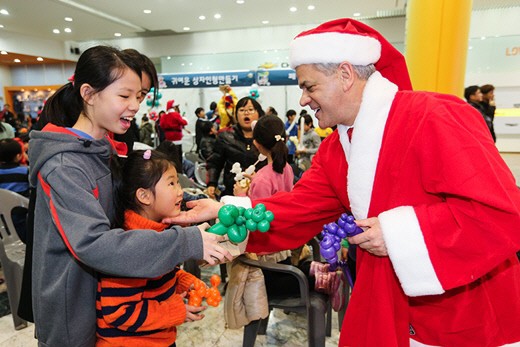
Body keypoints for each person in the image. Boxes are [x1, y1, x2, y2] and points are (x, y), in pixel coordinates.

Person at [168, 18, 520, 347]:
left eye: (308, 86)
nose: (303, 99)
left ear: (346, 74)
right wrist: (225, 210)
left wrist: (397, 234)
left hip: (467, 309)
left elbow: (500, 214)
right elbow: (298, 208)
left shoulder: (435, 116)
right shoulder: (338, 147)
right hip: (386, 299)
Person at [28, 45, 231, 347]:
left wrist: (185, 206)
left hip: (108, 300)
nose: (135, 106)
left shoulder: (102, 149)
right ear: (89, 93)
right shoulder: (64, 165)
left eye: (139, 96)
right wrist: (186, 242)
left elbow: (129, 202)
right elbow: (92, 242)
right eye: (125, 96)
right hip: (75, 308)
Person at [97, 149, 207, 346]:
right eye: (171, 183)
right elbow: (119, 312)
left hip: (157, 337)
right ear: (144, 196)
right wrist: (175, 310)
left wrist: (185, 282)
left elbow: (161, 273)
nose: (180, 191)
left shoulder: (157, 233)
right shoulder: (131, 247)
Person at [206, 96, 267, 199]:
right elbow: (215, 162)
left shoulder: (267, 135)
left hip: (261, 193)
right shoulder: (225, 136)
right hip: (232, 193)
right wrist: (212, 183)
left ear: (259, 113)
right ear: (236, 115)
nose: (246, 113)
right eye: (242, 110)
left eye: (251, 110)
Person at [160, 99, 187, 166]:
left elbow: (161, 125)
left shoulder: (164, 116)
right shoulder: (176, 115)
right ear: (174, 107)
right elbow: (184, 122)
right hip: (177, 139)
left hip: (168, 139)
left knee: (170, 158)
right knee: (178, 158)